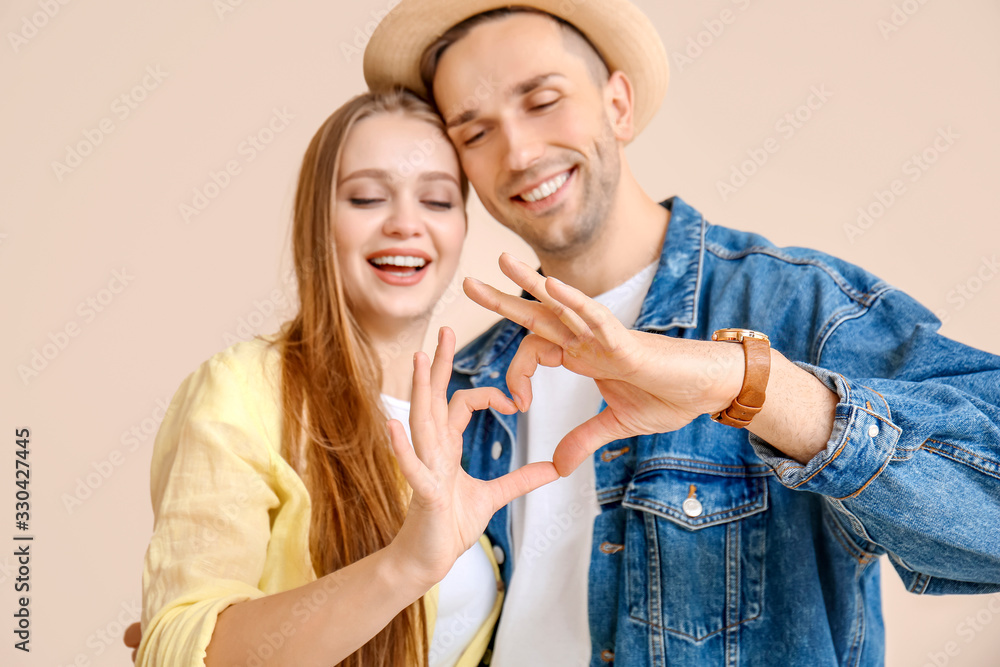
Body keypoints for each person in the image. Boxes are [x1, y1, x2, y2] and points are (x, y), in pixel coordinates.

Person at [362, 2, 1000, 665]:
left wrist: (747, 381)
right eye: (476, 132)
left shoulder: (797, 306)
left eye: (544, 101)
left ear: (619, 104)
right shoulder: (468, 383)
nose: (518, 152)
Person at [131, 88, 557, 667]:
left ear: (461, 226)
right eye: (366, 197)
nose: (406, 224)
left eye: (435, 200)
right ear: (318, 219)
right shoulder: (243, 392)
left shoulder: (468, 410)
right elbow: (175, 649)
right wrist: (403, 565)